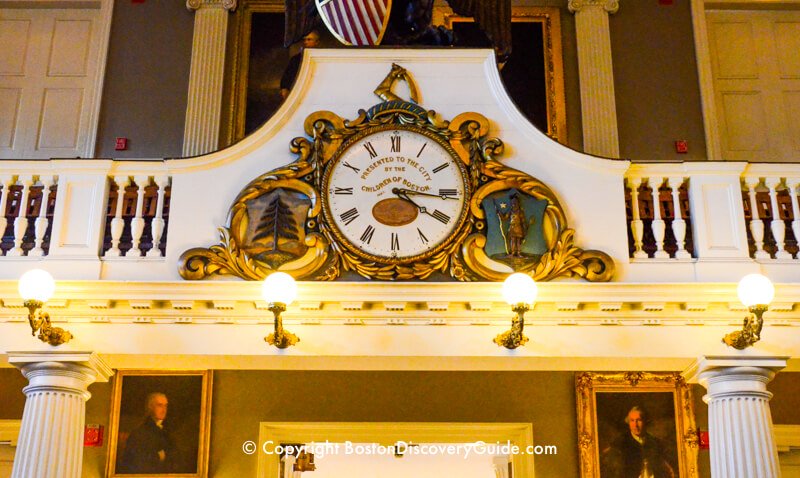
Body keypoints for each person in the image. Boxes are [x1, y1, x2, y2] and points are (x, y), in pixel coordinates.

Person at [601, 406, 676, 478]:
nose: (635, 425)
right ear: (628, 423)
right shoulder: (619, 443)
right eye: (632, 421)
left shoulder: (655, 442)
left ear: (645, 421)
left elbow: (664, 469)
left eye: (639, 420)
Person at [117, 392, 179, 474]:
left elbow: (176, 457)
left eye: (165, 406)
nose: (164, 410)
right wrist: (159, 456)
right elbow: (135, 462)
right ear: (150, 407)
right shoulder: (139, 432)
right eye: (160, 405)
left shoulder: (167, 430)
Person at [280, 31, 320, 100]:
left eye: (309, 39)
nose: (306, 42)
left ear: (316, 42)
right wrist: (284, 88)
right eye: (304, 40)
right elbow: (287, 76)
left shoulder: (321, 58)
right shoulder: (296, 59)